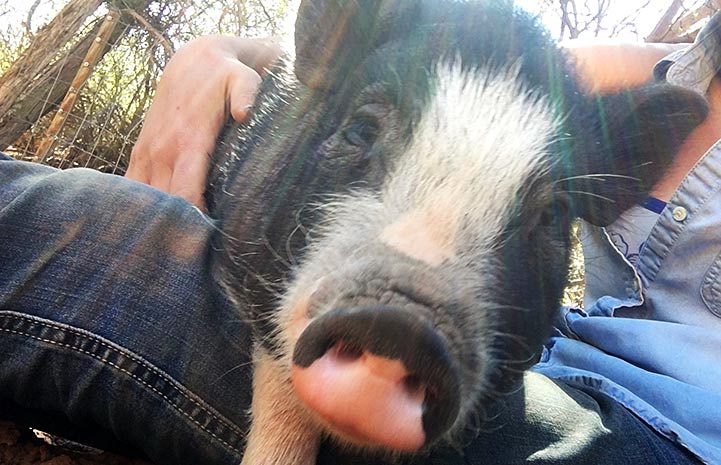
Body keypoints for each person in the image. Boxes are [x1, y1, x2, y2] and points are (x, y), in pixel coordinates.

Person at [1, 11, 721, 465]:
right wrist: (215, 56)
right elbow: (389, 48)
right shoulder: (634, 69)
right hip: (507, 365)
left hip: (641, 437)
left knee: (45, 235)